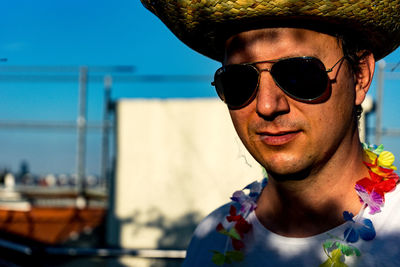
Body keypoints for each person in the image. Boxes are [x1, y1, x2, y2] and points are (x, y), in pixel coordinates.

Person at [141, 1, 400, 266]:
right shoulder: (210, 240)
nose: (266, 105)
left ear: (360, 76)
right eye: (239, 80)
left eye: (300, 73)